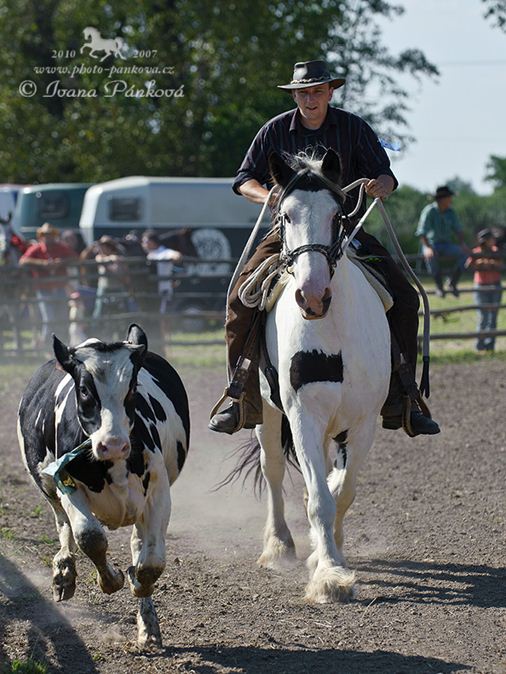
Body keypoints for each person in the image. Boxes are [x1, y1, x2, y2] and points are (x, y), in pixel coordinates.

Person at [209, 59, 440, 437]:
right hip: (290, 235)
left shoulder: (353, 127)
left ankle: (403, 397)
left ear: (330, 92)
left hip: (347, 231)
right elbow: (243, 179)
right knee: (239, 299)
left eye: (317, 91)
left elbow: (385, 173)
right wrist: (270, 197)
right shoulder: (274, 131)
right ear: (295, 95)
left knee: (404, 296)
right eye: (303, 92)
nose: (310, 98)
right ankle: (241, 395)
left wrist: (381, 185)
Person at [19, 223, 77, 341]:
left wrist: (61, 262)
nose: (48, 237)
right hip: (43, 288)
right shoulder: (37, 248)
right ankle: (46, 344)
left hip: (59, 287)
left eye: (50, 234)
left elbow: (76, 258)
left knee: (61, 317)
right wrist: (42, 263)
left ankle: (61, 343)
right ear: (41, 236)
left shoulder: (61, 247)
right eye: (45, 234)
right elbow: (23, 261)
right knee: (49, 318)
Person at [416, 186, 468, 298]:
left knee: (464, 254)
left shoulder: (451, 212)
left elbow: (458, 230)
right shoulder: (429, 211)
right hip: (431, 243)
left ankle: (452, 283)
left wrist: (462, 244)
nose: (451, 200)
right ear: (442, 199)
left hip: (447, 244)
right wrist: (428, 248)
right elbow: (422, 232)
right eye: (449, 197)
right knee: (430, 256)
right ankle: (439, 286)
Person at [466, 228, 502, 352]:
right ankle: (480, 346)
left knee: (493, 318)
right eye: (492, 238)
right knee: (483, 317)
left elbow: (500, 264)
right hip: (481, 286)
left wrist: (489, 262)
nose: (494, 240)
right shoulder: (476, 252)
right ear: (486, 241)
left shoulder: (496, 251)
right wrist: (480, 262)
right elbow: (468, 265)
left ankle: (490, 345)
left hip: (495, 285)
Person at [141, 229, 183, 313]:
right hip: (151, 290)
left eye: (145, 242)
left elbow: (177, 256)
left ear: (152, 242)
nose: (143, 244)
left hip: (162, 290)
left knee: (162, 315)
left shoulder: (164, 252)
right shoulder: (150, 254)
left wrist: (175, 258)